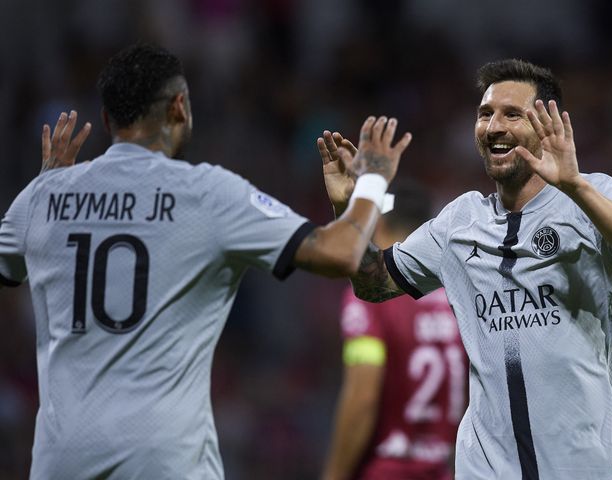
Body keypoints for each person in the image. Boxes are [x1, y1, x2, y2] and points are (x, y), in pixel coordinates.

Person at [0, 43, 412, 480]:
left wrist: (43, 191)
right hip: (162, 464)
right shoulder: (207, 193)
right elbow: (341, 252)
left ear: (106, 120)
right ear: (180, 107)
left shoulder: (43, 196)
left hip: (59, 463)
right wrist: (370, 181)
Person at [318, 59, 612, 479]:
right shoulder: (458, 223)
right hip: (486, 467)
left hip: (585, 462)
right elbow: (373, 284)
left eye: (511, 114)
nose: (493, 126)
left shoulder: (594, 195)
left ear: (547, 125)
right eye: (485, 114)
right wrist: (347, 208)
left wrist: (574, 185)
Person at [321, 181, 468, 480]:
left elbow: (363, 394)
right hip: (443, 469)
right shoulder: (455, 295)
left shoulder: (370, 298)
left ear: (381, 224)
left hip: (386, 469)